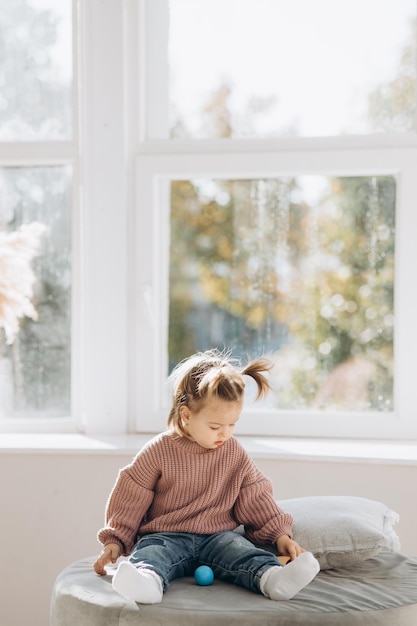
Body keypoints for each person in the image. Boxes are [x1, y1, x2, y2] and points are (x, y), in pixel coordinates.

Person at [94, 349, 319, 604]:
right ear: (187, 415)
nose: (225, 433)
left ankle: (272, 578)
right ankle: (147, 582)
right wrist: (115, 541)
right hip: (168, 535)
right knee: (152, 553)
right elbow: (130, 497)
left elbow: (255, 496)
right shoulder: (159, 450)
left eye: (233, 424)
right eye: (215, 426)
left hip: (218, 537)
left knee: (243, 552)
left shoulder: (233, 452)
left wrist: (281, 536)